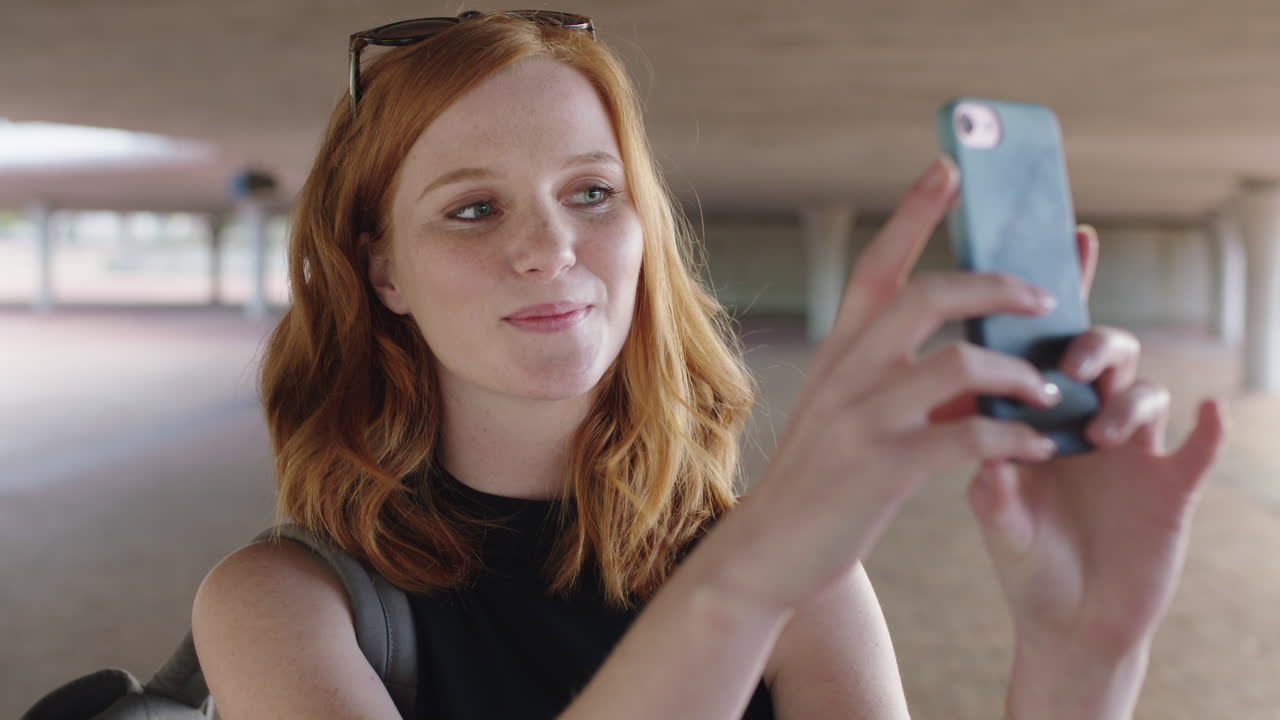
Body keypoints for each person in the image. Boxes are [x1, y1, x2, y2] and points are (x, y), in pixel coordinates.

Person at [191, 10, 1228, 720]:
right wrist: (742, 584)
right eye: (472, 208)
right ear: (384, 273)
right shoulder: (280, 607)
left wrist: (1080, 653)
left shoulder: (804, 583)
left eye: (591, 193)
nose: (550, 247)